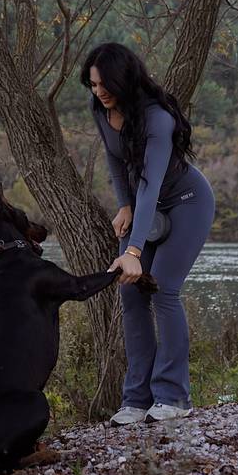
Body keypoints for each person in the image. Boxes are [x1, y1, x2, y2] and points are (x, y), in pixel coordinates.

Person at [81, 42, 215, 425]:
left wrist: (134, 250)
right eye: (92, 85)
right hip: (142, 205)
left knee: (163, 288)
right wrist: (123, 205)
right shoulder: (101, 111)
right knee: (129, 292)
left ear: (124, 79)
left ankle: (173, 396)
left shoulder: (157, 118)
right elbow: (113, 155)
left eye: (104, 84)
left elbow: (151, 182)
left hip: (187, 201)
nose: (99, 92)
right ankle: (136, 400)